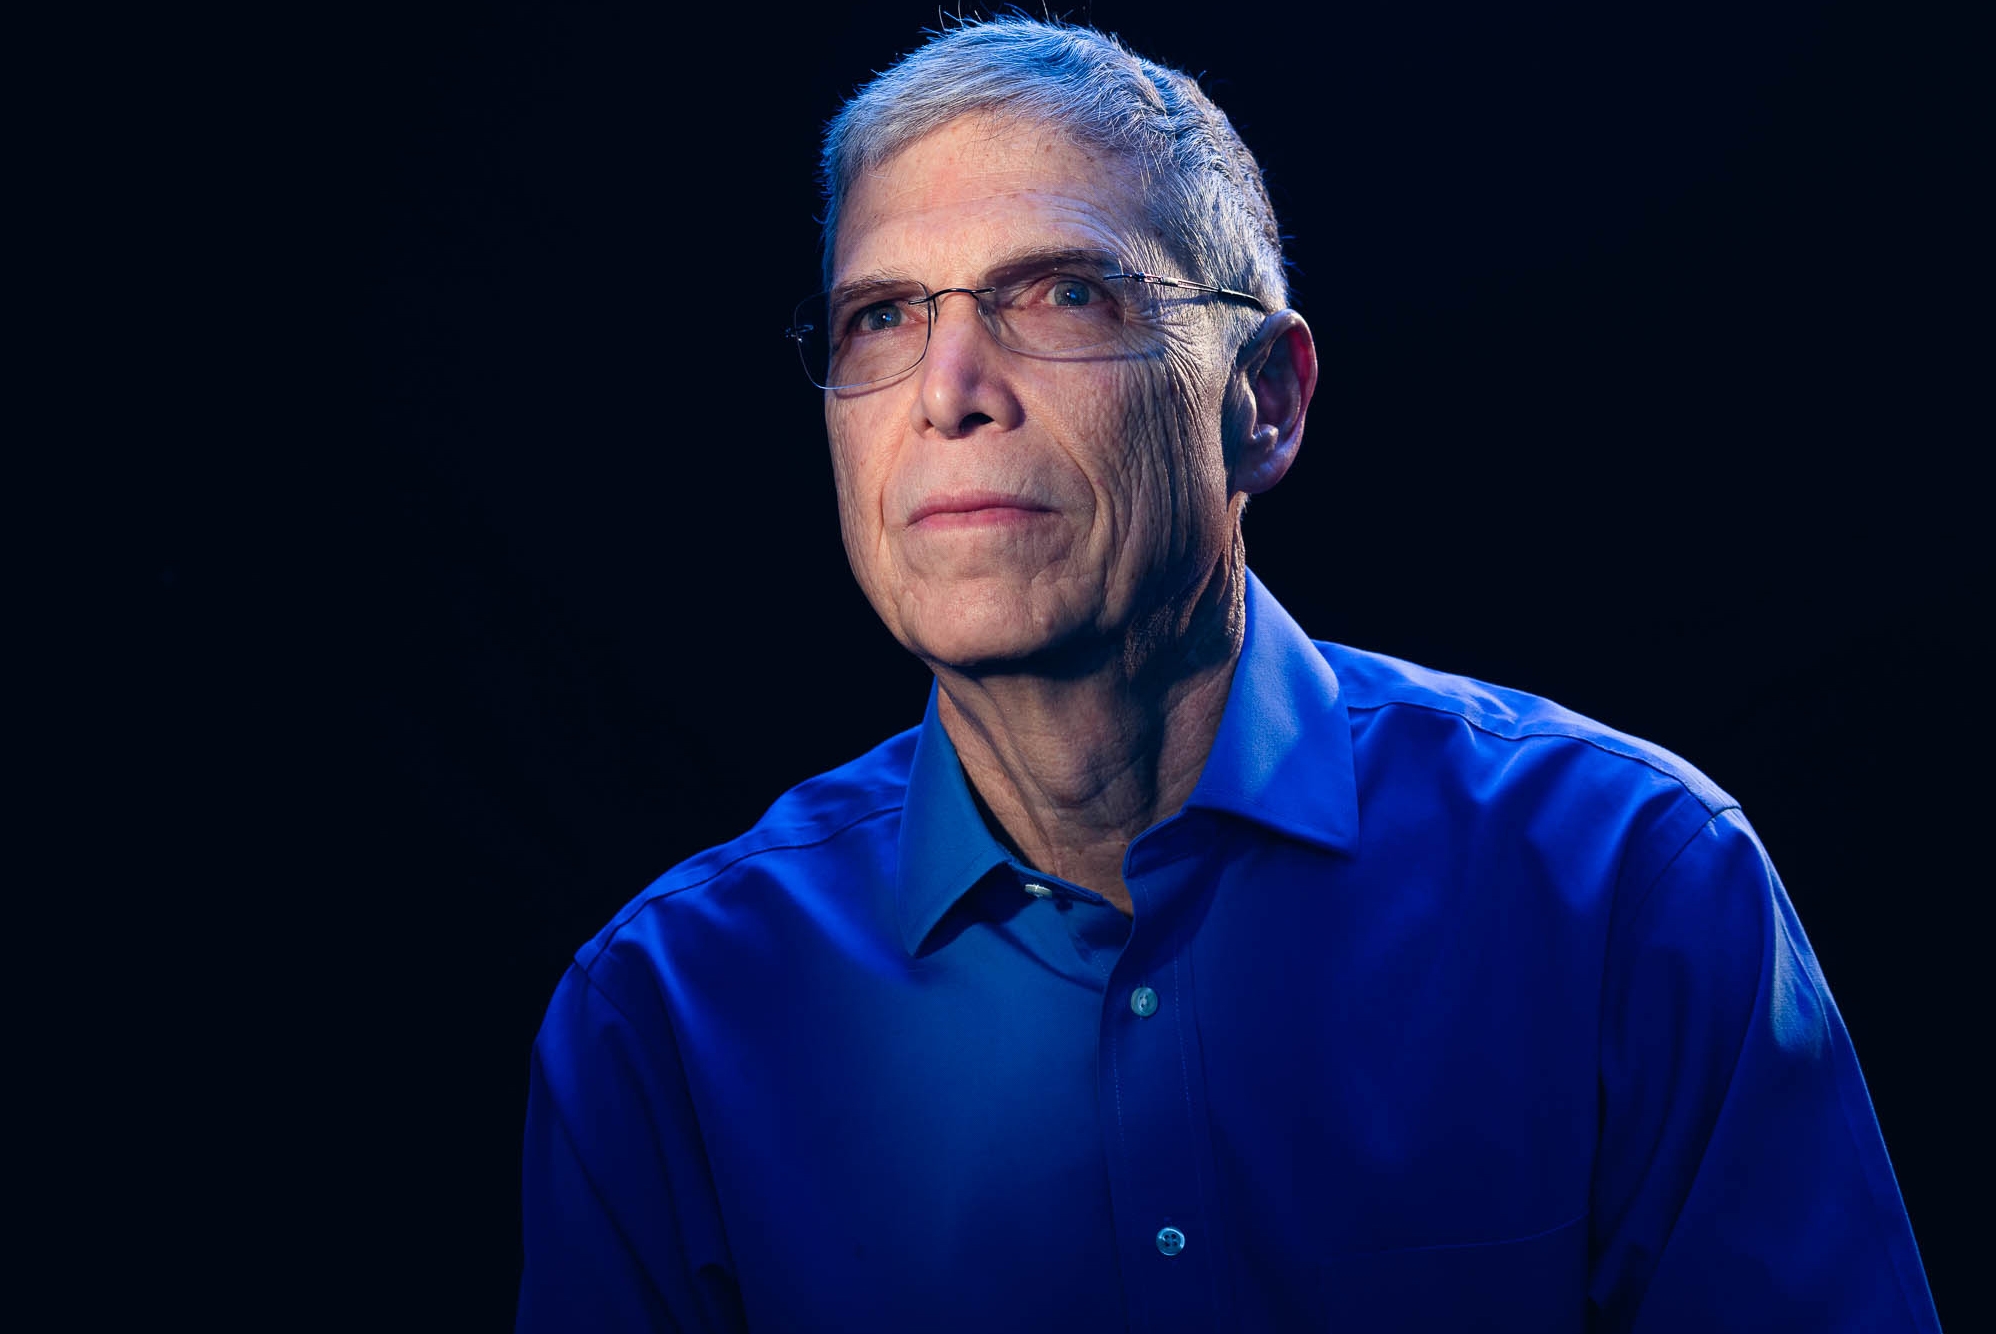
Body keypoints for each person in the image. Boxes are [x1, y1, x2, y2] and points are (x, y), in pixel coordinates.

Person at [516, 18, 1937, 1332]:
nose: (949, 389)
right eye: (882, 316)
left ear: (1264, 403)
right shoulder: (665, 1019)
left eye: (1063, 291)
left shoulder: (1634, 890)